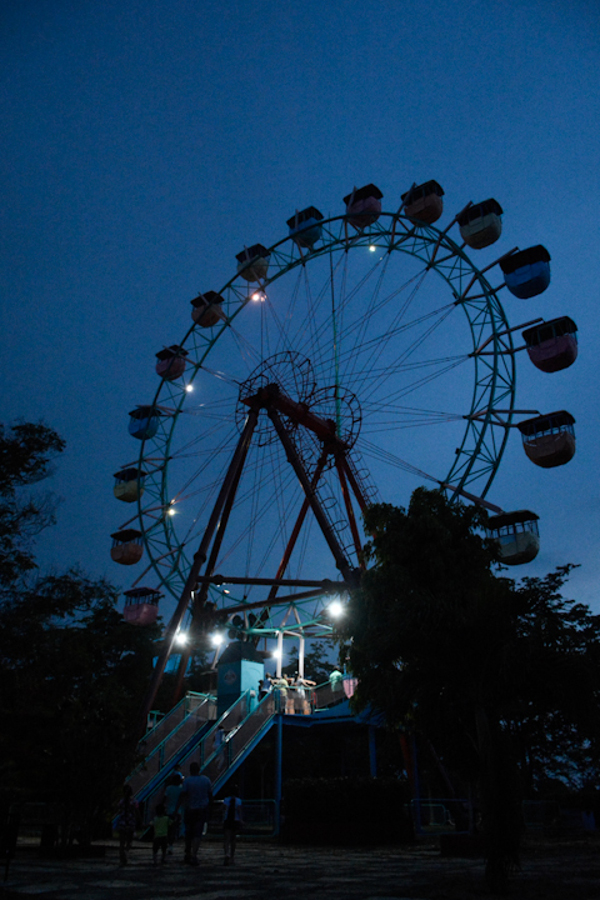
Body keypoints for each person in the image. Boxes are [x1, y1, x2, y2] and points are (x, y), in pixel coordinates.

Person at [177, 762, 212, 866]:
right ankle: (194, 854)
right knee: (197, 833)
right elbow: (210, 795)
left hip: (190, 808)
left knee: (189, 832)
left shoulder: (187, 781)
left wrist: (177, 808)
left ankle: (187, 852)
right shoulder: (206, 780)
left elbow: (183, 795)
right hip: (202, 809)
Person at [115, 784, 139, 866]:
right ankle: (126, 852)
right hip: (131, 822)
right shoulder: (134, 801)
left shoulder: (121, 801)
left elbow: (118, 810)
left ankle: (122, 857)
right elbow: (137, 812)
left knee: (121, 842)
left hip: (122, 822)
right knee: (129, 841)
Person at [222, 785, 243, 865]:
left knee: (226, 838)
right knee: (233, 839)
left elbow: (223, 809)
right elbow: (239, 811)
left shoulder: (226, 800)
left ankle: (226, 853)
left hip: (227, 820)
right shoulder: (238, 801)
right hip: (235, 820)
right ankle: (232, 856)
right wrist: (241, 820)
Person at [163, 772, 183, 853]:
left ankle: (168, 844)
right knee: (174, 829)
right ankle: (171, 844)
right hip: (178, 811)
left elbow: (165, 798)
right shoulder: (181, 789)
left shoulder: (169, 788)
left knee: (168, 829)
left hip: (169, 810)